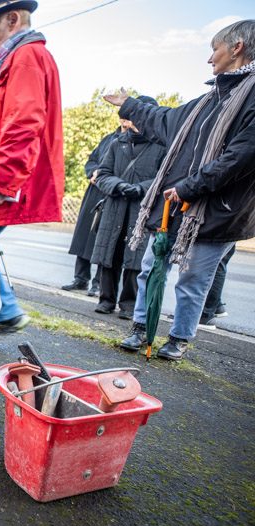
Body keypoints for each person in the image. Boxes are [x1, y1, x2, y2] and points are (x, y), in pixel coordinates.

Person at [105, 19, 255, 360]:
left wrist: (190, 187)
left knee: (192, 282)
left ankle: (178, 339)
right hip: (173, 208)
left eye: (213, 49)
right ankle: (140, 328)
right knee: (151, 270)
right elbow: (165, 120)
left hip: (216, 215)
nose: (209, 59)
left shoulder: (251, 98)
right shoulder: (208, 99)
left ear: (237, 48)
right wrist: (128, 104)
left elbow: (242, 157)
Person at [0, 0, 64, 341]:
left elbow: (23, 122)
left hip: (1, 177)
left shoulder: (26, 57)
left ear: (11, 19)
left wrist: (2, 180)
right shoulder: (20, 59)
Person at [90, 97, 166, 320]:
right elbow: (102, 174)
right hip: (114, 205)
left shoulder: (161, 147)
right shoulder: (117, 143)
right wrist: (119, 186)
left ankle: (129, 303)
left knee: (136, 256)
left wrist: (141, 188)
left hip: (141, 209)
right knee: (109, 252)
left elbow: (163, 178)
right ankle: (106, 299)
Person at [62, 127, 120, 297]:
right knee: (84, 234)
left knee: (103, 238)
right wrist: (92, 172)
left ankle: (98, 282)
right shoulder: (109, 137)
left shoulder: (130, 142)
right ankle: (80, 278)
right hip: (94, 191)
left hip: (110, 192)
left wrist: (104, 176)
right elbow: (92, 160)